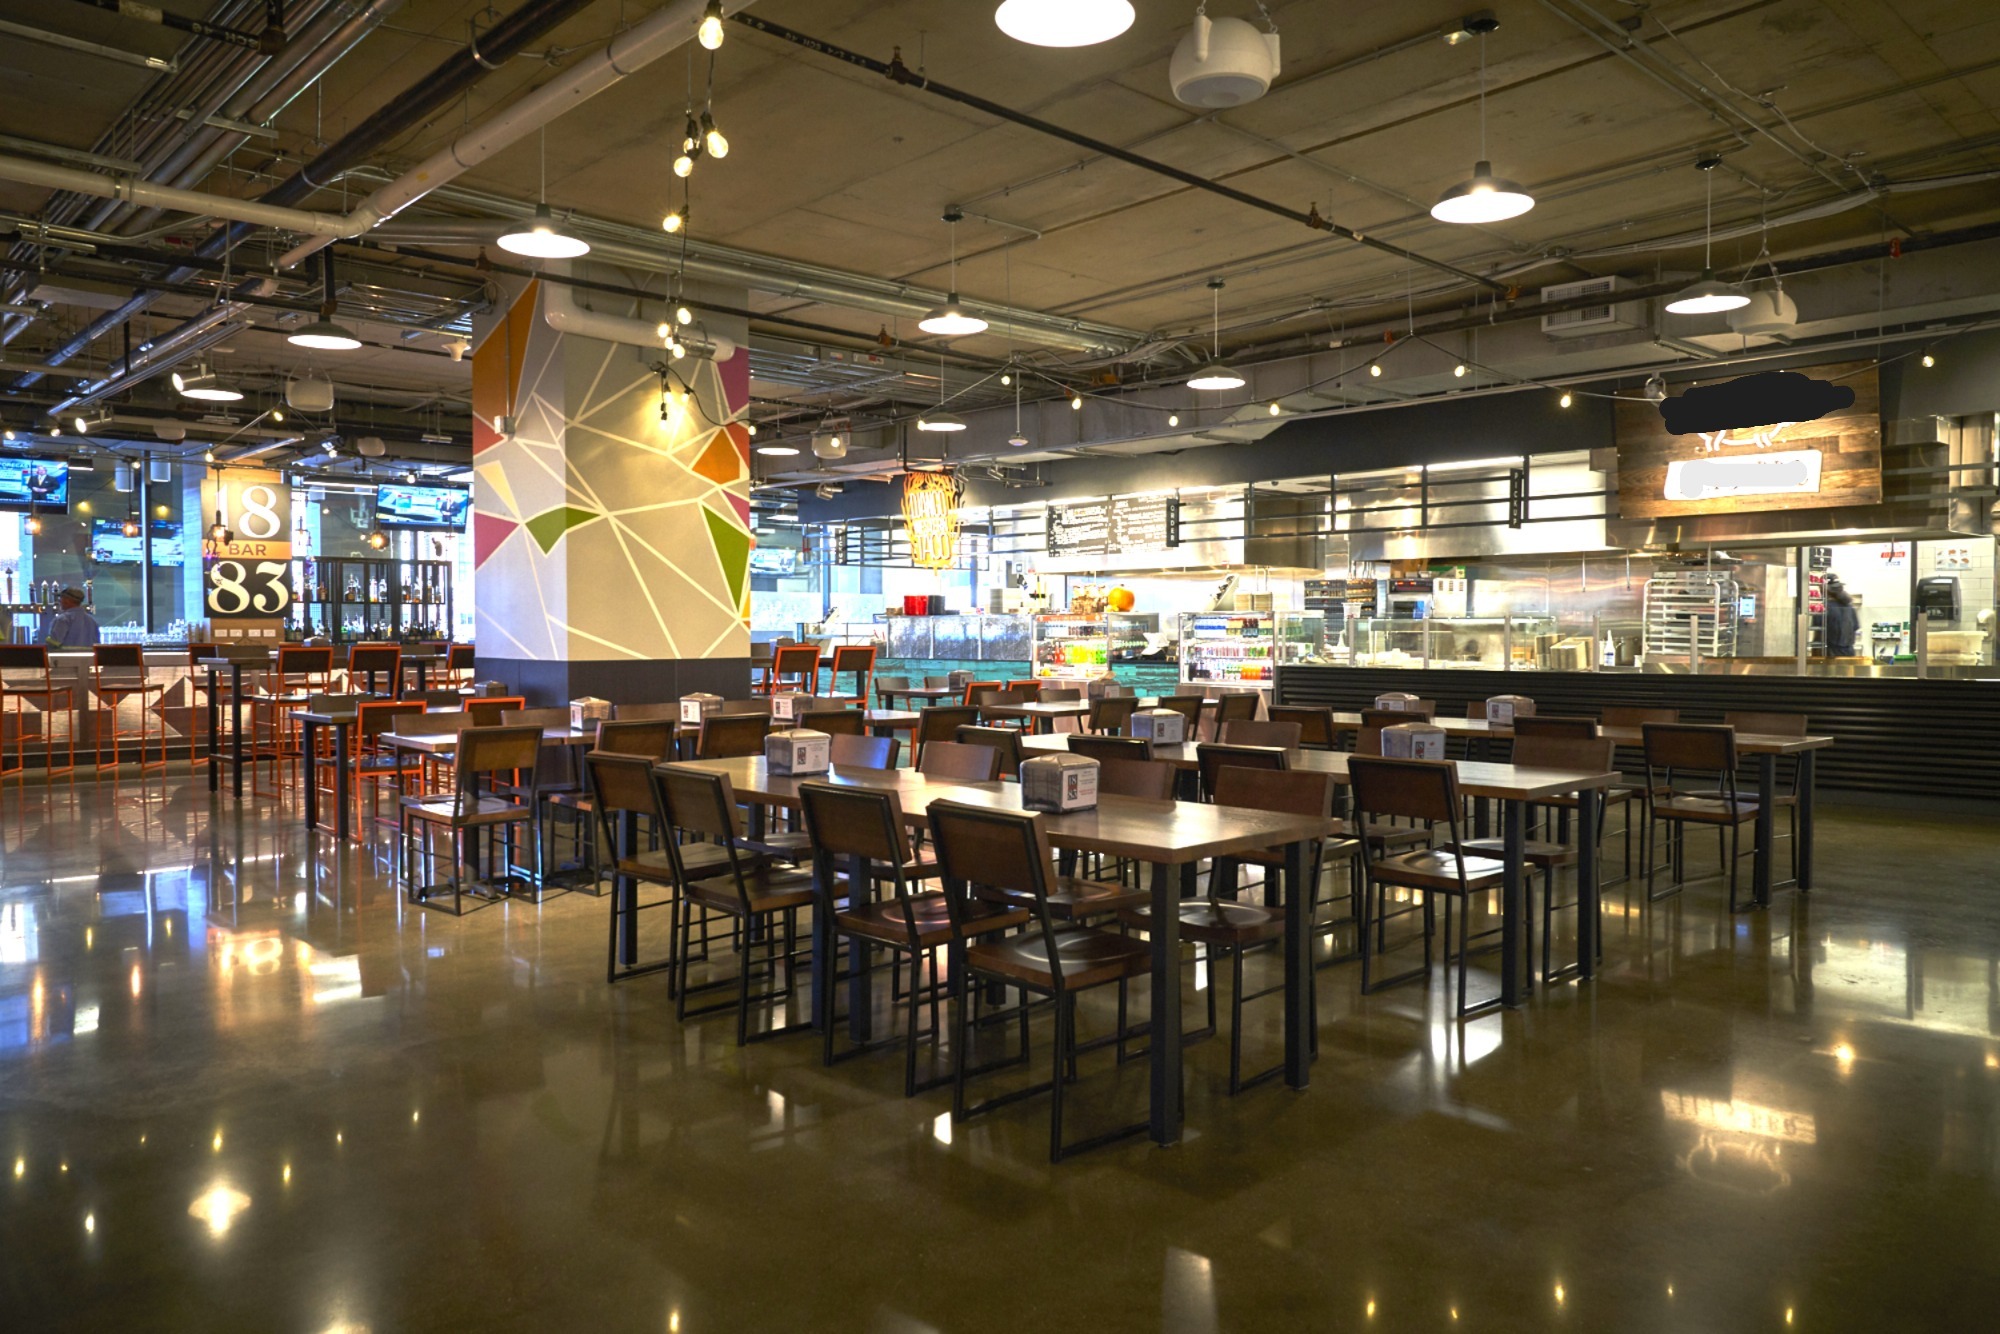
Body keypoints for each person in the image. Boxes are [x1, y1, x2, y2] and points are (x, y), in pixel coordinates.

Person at [1824, 576, 1859, 657]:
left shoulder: (1826, 608)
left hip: (1831, 654)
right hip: (1849, 652)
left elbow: (1819, 633)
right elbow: (1855, 627)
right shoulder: (1849, 607)